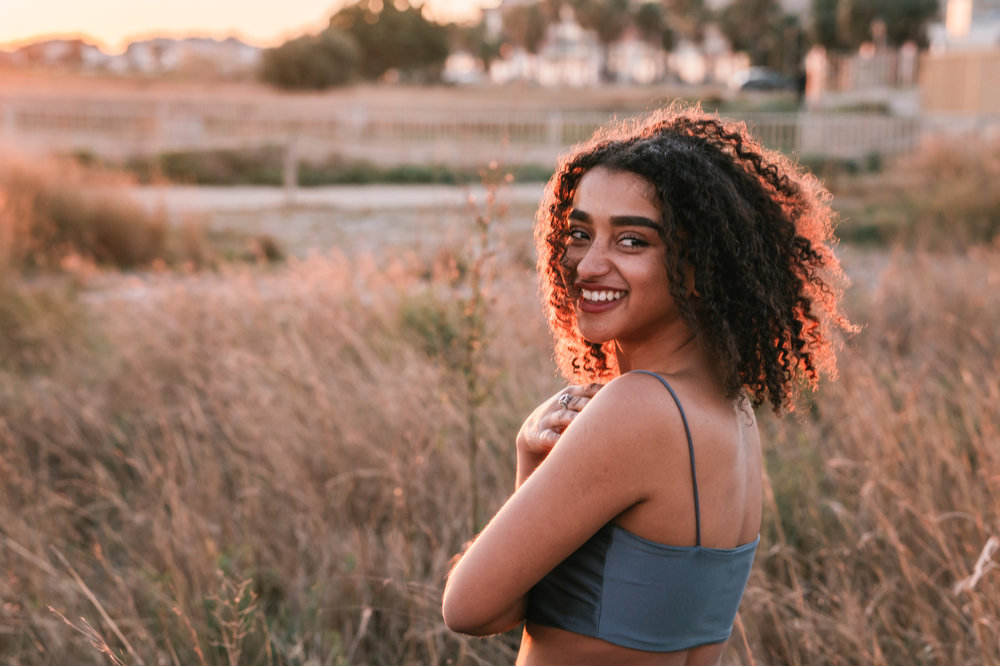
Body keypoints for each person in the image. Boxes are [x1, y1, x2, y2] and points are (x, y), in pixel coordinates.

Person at [442, 107, 852, 665]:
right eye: (580, 233)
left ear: (700, 265)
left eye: (632, 241)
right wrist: (532, 459)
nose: (588, 264)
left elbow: (470, 608)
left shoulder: (637, 408)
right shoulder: (730, 412)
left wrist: (526, 462)